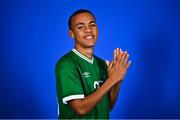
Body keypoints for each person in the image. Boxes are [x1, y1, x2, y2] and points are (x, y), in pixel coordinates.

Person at [55, 9, 131, 119]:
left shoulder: (101, 64)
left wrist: (118, 79)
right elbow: (80, 109)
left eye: (92, 25)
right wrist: (111, 80)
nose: (88, 30)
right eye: (80, 27)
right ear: (71, 34)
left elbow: (107, 106)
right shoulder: (66, 64)